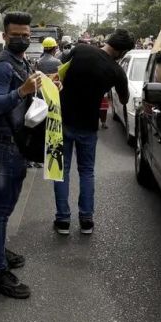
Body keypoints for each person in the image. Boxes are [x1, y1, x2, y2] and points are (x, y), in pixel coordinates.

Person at [0, 11, 42, 299]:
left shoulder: (22, 61)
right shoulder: (1, 66)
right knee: (0, 209)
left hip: (18, 144)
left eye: (26, 35)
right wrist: (22, 91)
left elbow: (26, 95)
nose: (21, 39)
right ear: (5, 36)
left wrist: (45, 85)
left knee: (7, 207)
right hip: (5, 145)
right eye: (16, 35)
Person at [54, 29, 135, 235]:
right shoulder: (116, 71)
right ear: (122, 51)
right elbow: (124, 99)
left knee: (61, 171)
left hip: (62, 121)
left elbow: (59, 70)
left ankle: (63, 221)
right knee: (86, 172)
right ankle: (86, 220)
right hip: (88, 126)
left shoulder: (80, 50)